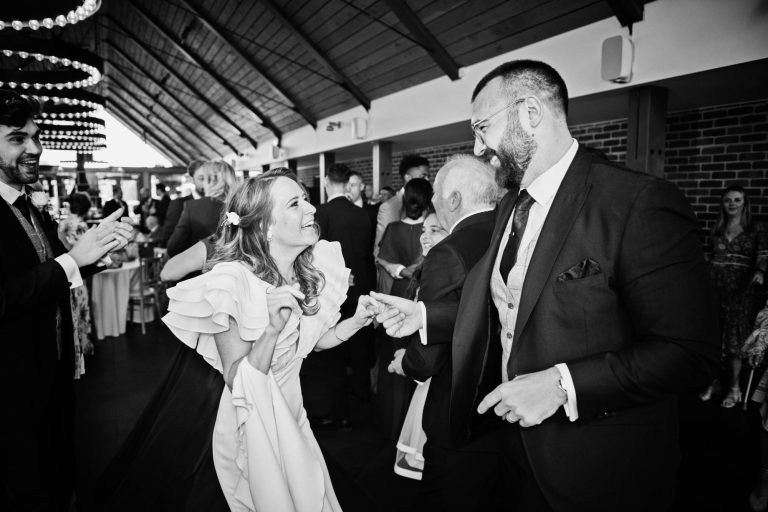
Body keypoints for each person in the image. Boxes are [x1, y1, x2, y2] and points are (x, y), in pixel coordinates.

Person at [370, 60, 720, 512]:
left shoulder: (635, 202)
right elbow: (505, 308)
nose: (477, 148)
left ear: (530, 112)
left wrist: (561, 385)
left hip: (596, 467)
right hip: (513, 454)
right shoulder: (510, 205)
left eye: (482, 128)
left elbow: (690, 351)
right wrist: (423, 315)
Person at [97, 169, 377, 511]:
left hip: (292, 412)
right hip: (252, 422)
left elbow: (313, 343)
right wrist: (271, 330)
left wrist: (356, 322)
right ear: (265, 226)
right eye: (294, 203)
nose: (311, 208)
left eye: (305, 199)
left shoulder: (307, 268)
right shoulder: (232, 282)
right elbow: (236, 379)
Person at [0, 89, 133, 511]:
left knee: (58, 471)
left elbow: (52, 269)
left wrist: (98, 252)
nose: (35, 148)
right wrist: (74, 259)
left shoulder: (29, 206)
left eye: (35, 136)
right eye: (17, 139)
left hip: (53, 370)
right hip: (10, 384)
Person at [388, 155, 502, 511]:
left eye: (436, 194)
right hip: (506, 404)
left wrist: (406, 362)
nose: (433, 201)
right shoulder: (508, 230)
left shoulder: (449, 250)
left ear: (453, 200)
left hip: (460, 404)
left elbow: (429, 355)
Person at [303, 163, 376, 427]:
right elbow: (367, 254)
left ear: (326, 182)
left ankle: (335, 408)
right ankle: (362, 397)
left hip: (332, 291)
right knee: (359, 345)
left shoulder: (321, 213)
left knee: (331, 351)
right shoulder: (362, 214)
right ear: (347, 183)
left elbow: (315, 255)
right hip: (362, 288)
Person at [375, 177, 432, 439]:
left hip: (398, 295)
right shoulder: (432, 228)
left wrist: (398, 270)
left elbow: (382, 259)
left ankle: (391, 423)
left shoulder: (394, 228)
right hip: (423, 298)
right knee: (417, 354)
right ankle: (414, 424)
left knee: (394, 354)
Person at [700, 186, 767, 407]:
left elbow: (763, 255)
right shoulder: (718, 227)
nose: (732, 204)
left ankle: (734, 387)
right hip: (714, 287)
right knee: (713, 337)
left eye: (737, 200)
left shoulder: (754, 229)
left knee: (734, 340)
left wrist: (760, 271)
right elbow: (708, 256)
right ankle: (714, 382)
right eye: (728, 200)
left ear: (744, 203)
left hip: (740, 290)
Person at [375, 155, 429, 294]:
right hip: (396, 283)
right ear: (407, 177)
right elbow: (379, 254)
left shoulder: (431, 222)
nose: (427, 179)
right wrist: (399, 270)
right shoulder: (389, 207)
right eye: (423, 175)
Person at [58, 192, 96, 378]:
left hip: (64, 271)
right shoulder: (82, 226)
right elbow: (84, 252)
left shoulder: (62, 224)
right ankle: (82, 345)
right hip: (78, 271)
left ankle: (75, 346)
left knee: (71, 308)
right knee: (81, 307)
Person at [167, 160, 237, 257]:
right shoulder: (242, 205)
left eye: (204, 179)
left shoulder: (194, 207)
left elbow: (173, 248)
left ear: (209, 181)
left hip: (204, 265)